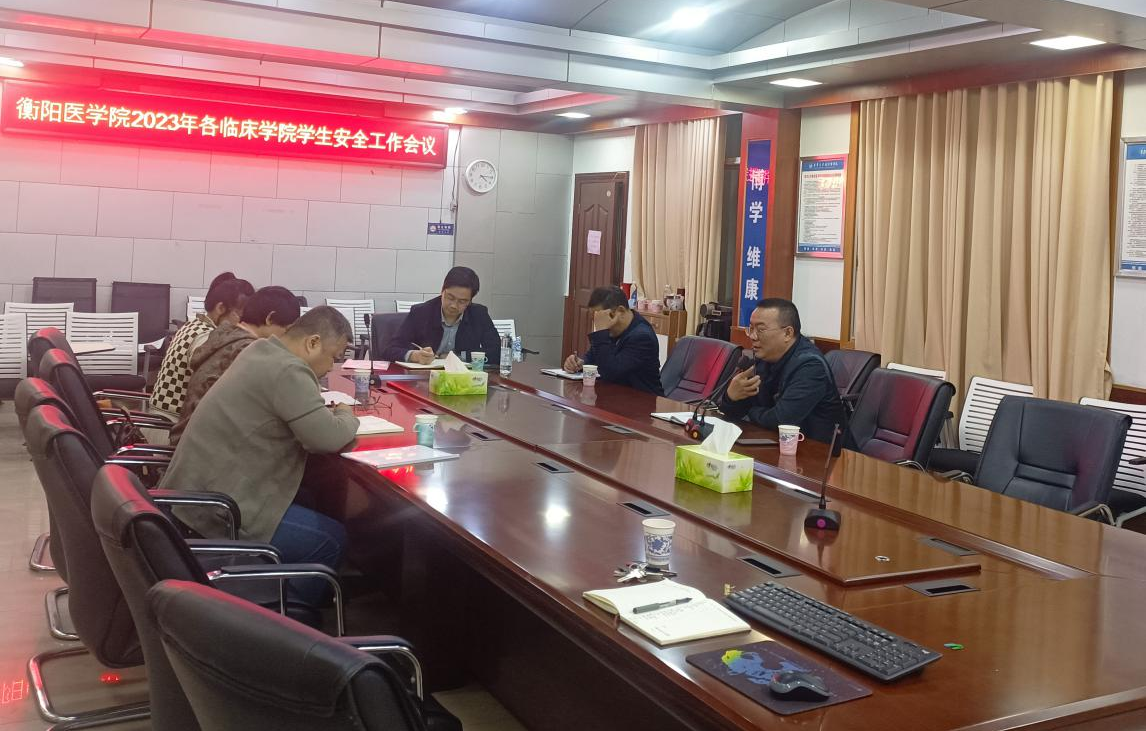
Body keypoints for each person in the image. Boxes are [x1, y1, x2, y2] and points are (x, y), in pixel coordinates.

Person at [159, 306, 359, 606]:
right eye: (333, 356)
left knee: (310, 494)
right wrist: (346, 414)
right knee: (332, 539)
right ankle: (288, 620)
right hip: (218, 511)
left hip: (193, 493)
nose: (332, 367)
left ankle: (281, 588)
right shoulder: (289, 370)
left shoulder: (260, 350)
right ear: (313, 343)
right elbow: (326, 438)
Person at [169, 286, 301, 446]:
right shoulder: (247, 350)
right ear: (270, 318)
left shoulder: (225, 336)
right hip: (203, 444)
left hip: (189, 435)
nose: (285, 337)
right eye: (286, 330)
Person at [720, 298, 845, 444]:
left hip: (820, 452)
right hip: (774, 444)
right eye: (751, 328)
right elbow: (734, 413)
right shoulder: (763, 357)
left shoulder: (811, 367)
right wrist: (731, 397)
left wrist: (749, 411)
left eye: (760, 330)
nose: (753, 336)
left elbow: (781, 421)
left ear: (787, 333)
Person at [151, 272, 254, 419]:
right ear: (220, 308)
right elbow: (212, 386)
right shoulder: (206, 337)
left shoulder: (192, 324)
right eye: (240, 316)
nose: (242, 323)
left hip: (162, 416)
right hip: (173, 423)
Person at [382, 266, 501, 365]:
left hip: (464, 378)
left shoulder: (479, 315)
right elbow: (389, 349)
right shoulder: (421, 312)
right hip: (424, 378)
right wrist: (415, 356)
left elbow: (497, 352)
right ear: (442, 290)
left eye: (462, 301)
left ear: (470, 301)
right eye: (450, 297)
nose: (454, 305)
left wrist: (460, 356)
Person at [563, 286, 664, 396]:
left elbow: (609, 373)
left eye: (602, 317)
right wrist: (579, 364)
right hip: (616, 397)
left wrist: (601, 331)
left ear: (620, 311)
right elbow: (592, 359)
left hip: (643, 402)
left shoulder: (642, 337)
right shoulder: (614, 330)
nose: (599, 323)